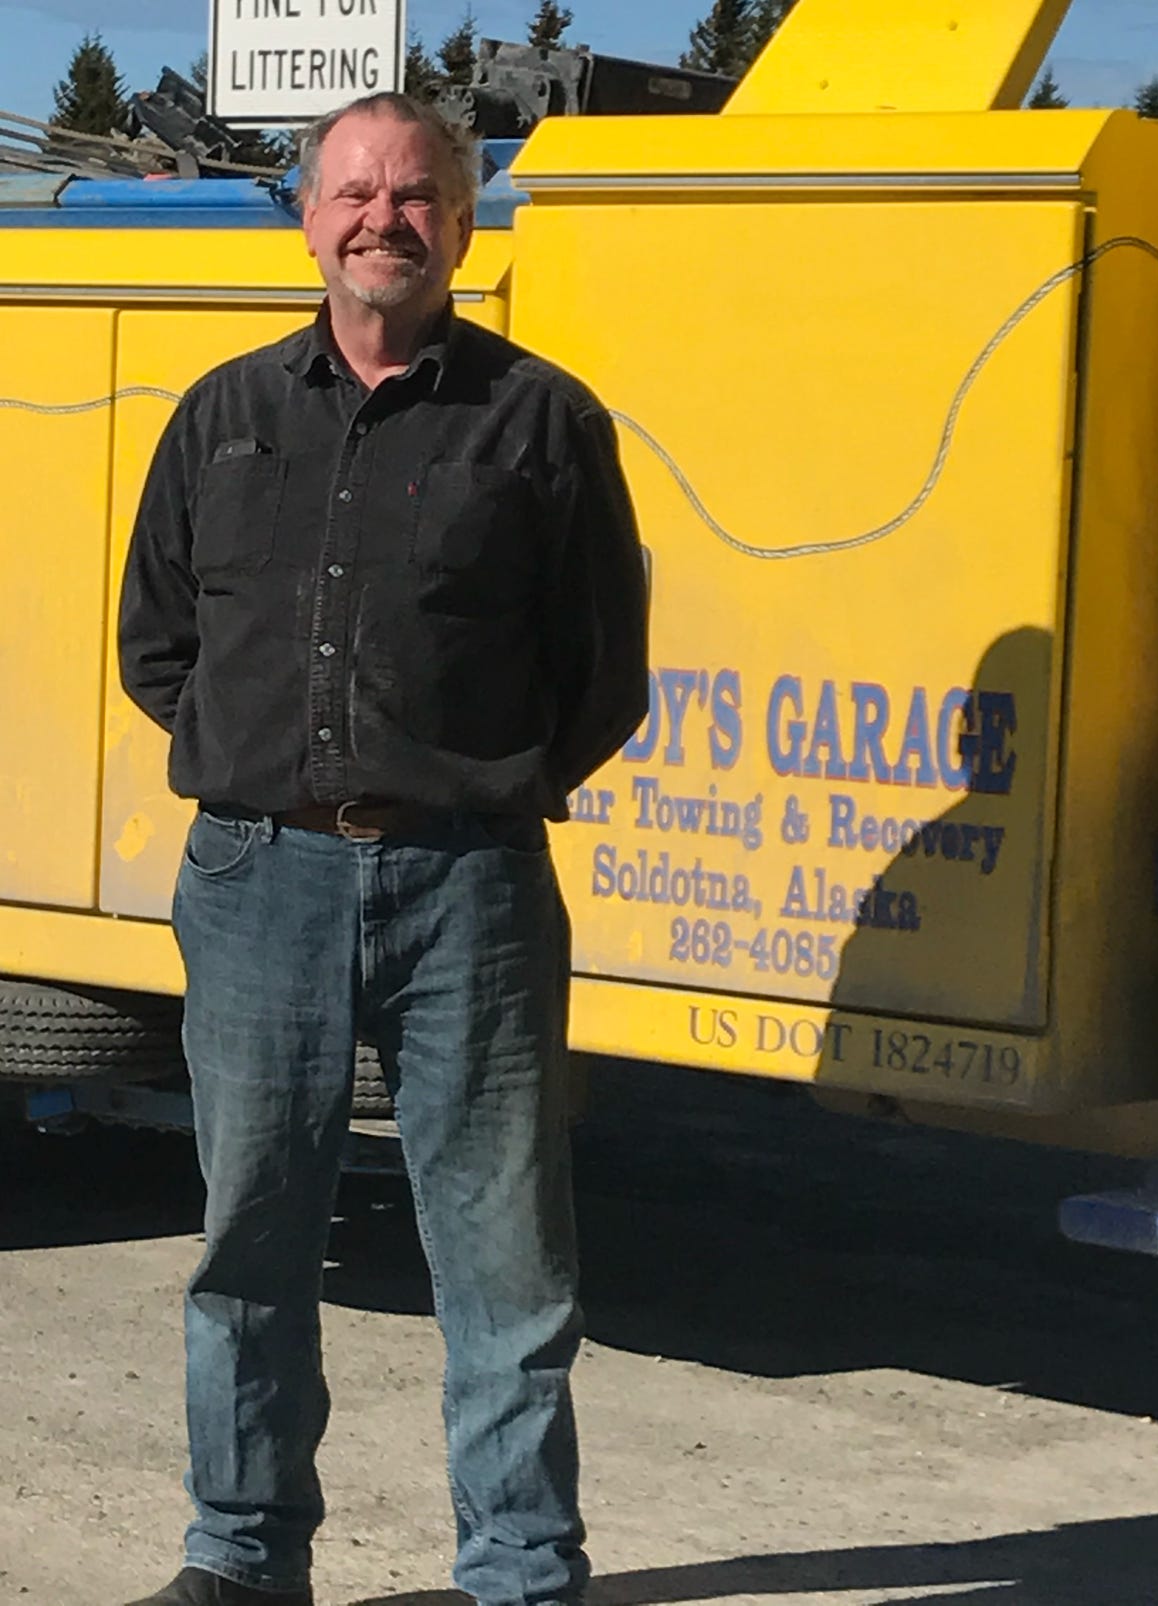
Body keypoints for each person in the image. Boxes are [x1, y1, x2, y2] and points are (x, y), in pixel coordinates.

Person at [117, 90, 648, 1606]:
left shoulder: (542, 422)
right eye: (352, 194)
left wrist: (465, 787)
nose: (381, 221)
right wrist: (266, 771)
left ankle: (523, 1570)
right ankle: (239, 1556)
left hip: (468, 885)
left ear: (463, 224)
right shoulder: (221, 417)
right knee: (249, 1245)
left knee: (503, 1261)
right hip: (256, 879)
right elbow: (161, 643)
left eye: (415, 197)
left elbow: (598, 674)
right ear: (304, 215)